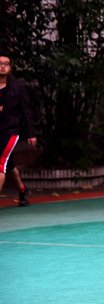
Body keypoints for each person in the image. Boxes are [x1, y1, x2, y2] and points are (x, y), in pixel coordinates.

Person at [0, 51, 37, 207]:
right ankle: (23, 190)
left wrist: (31, 134)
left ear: (10, 67)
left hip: (11, 131)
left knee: (1, 163)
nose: (2, 67)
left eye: (5, 64)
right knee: (8, 164)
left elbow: (26, 111)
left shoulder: (17, 87)